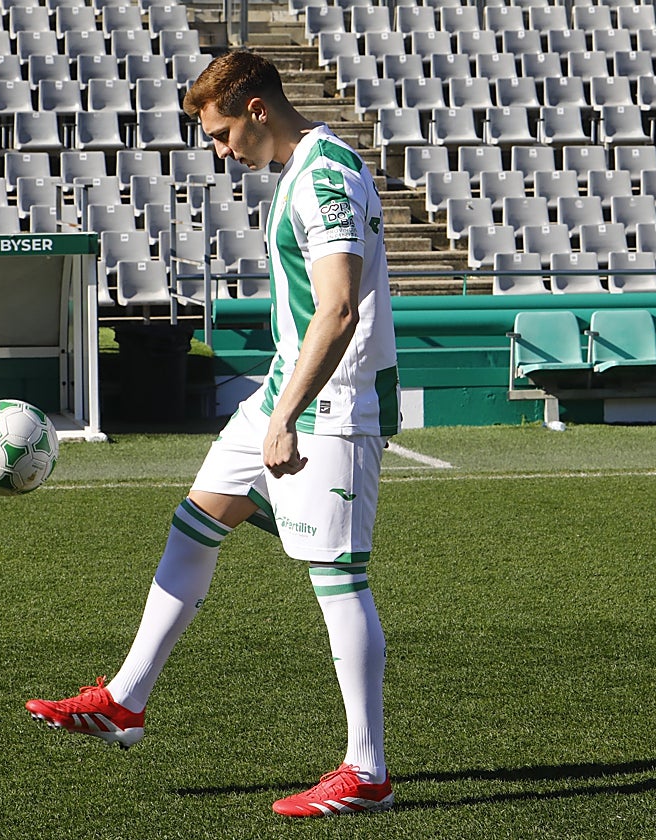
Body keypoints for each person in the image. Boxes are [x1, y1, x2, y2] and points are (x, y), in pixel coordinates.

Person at [25, 50, 400, 818]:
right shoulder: (311, 164)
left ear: (258, 109)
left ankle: (368, 771)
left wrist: (287, 417)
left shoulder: (325, 176)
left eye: (225, 133)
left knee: (338, 580)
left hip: (334, 405)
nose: (223, 153)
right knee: (196, 521)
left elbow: (338, 311)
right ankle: (126, 701)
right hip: (285, 388)